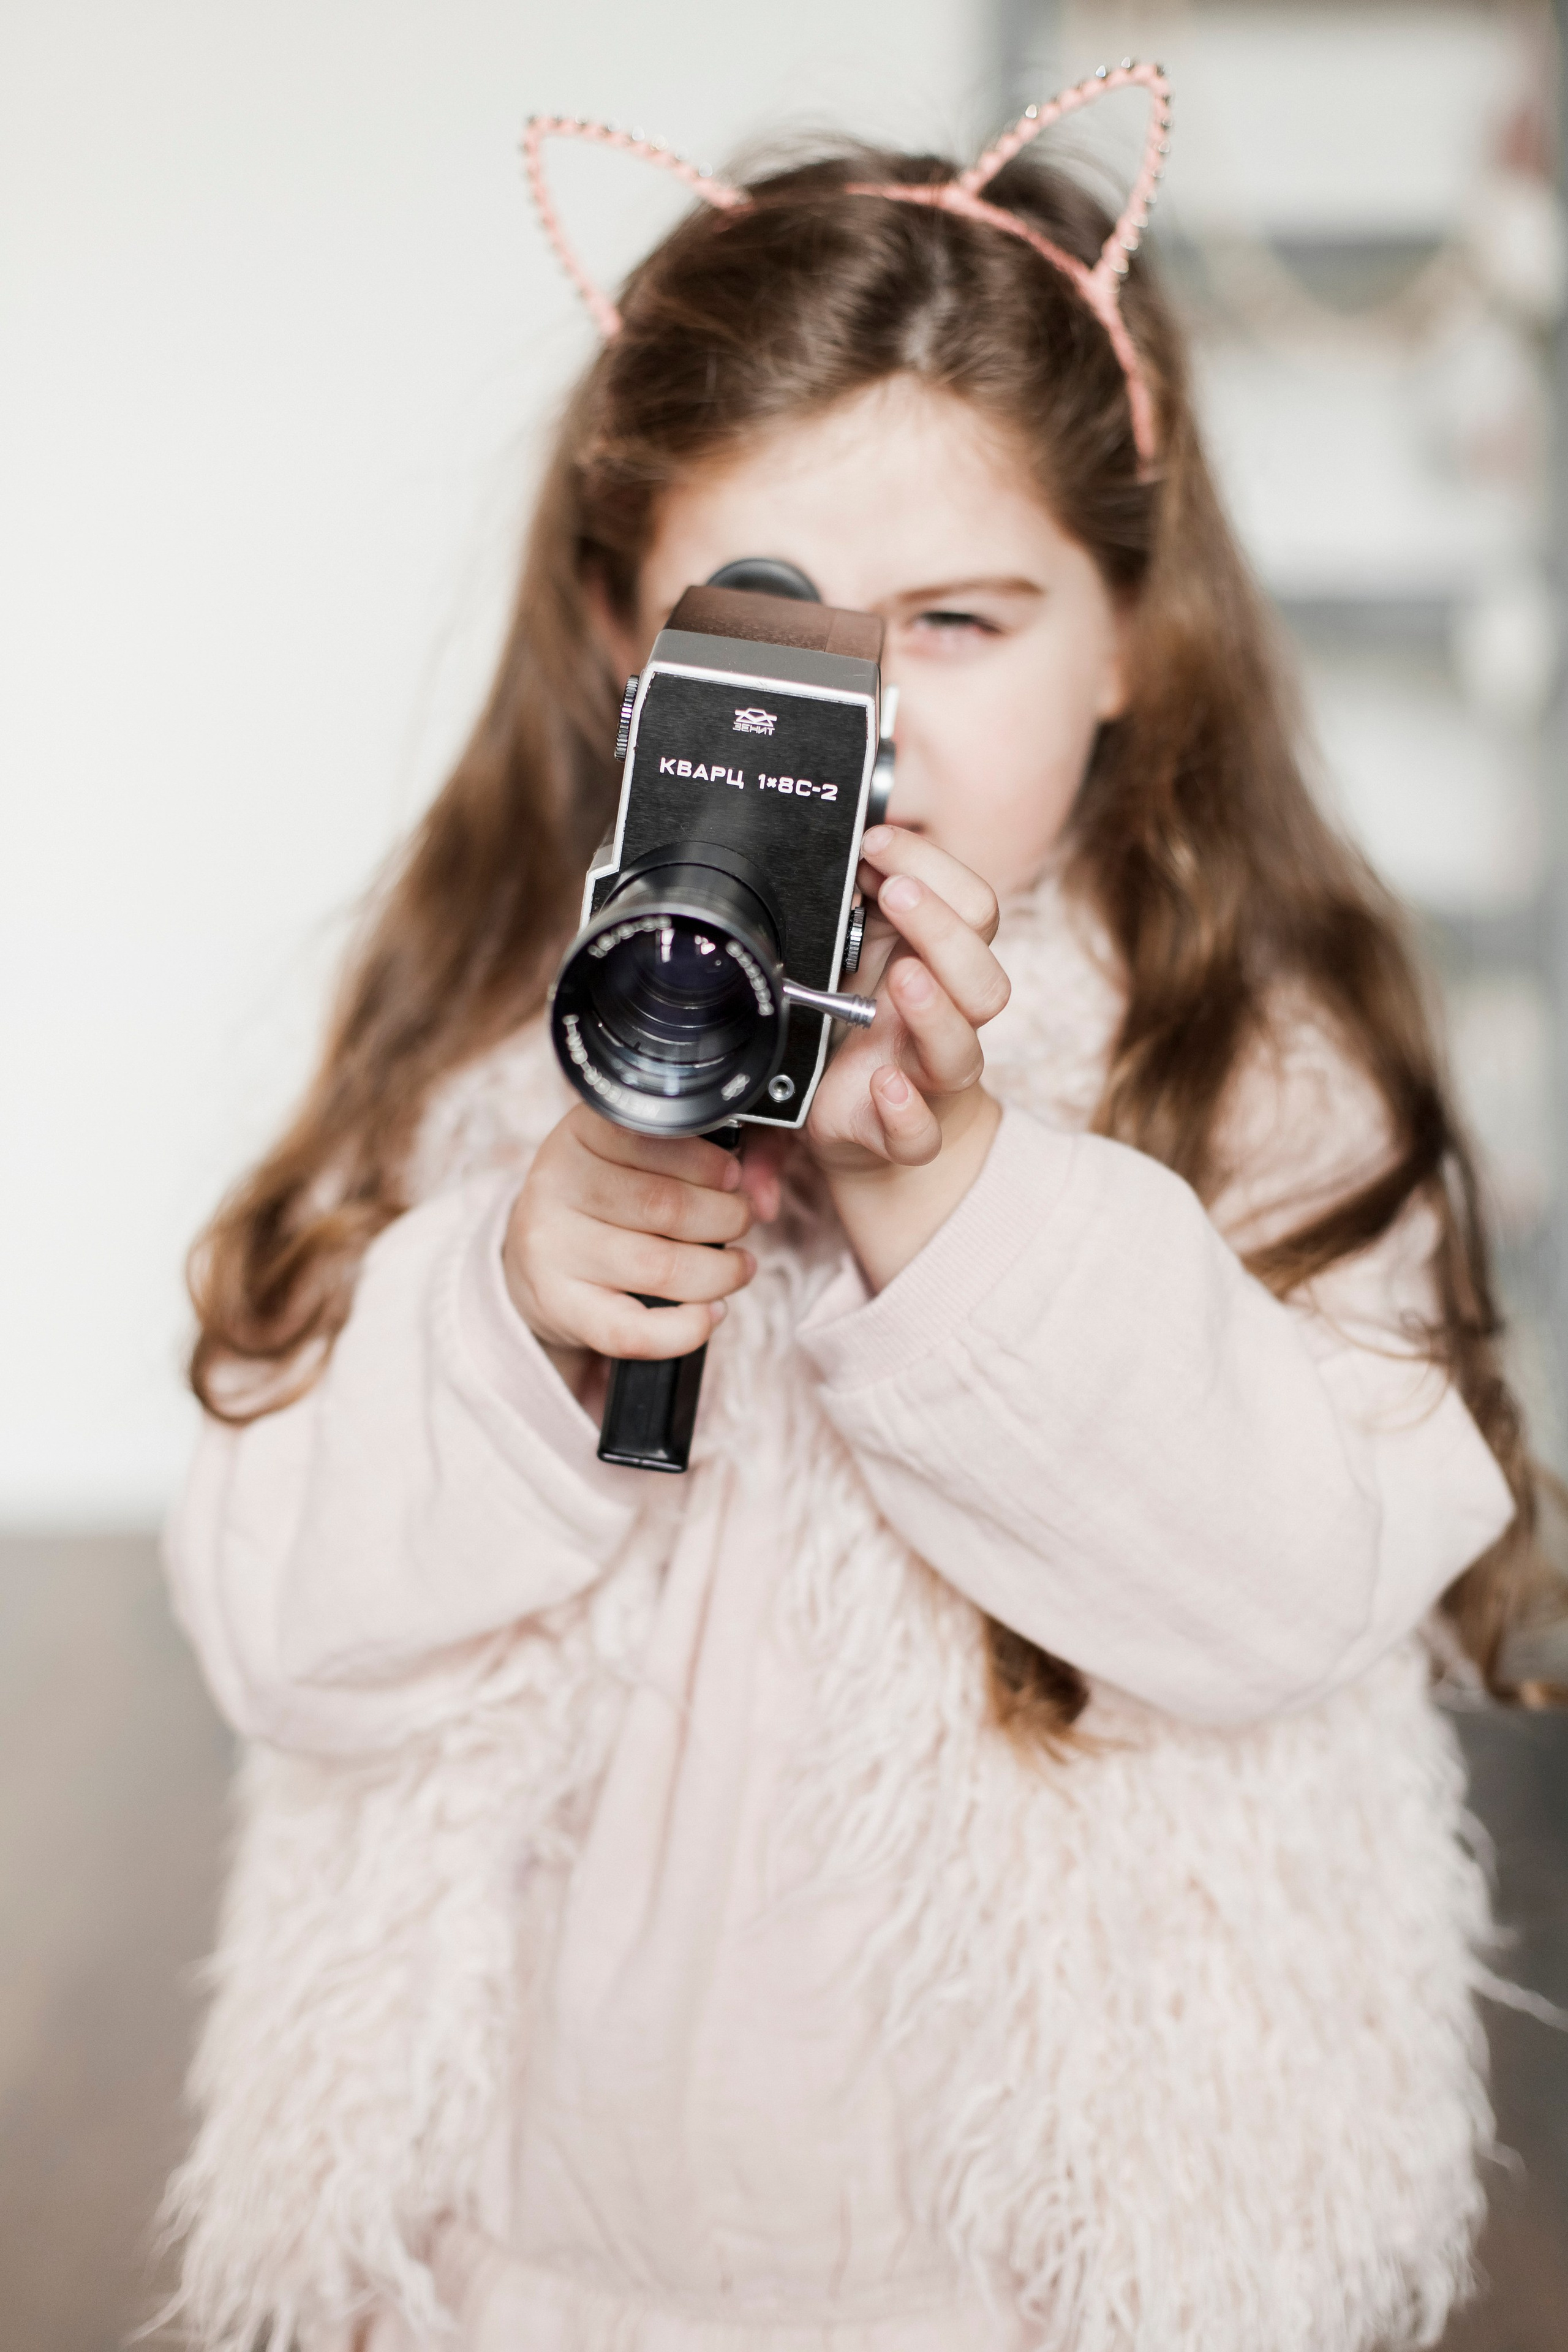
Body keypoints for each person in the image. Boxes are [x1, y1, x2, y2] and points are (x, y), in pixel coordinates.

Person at [160, 72, 1555, 2352]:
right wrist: (508, 1312)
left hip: (1050, 2288)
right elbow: (279, 1630)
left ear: (1134, 641)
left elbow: (1285, 1602)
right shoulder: (475, 1062)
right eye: (776, 634)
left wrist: (959, 1195)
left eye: (964, 625)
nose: (866, 728)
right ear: (633, 656)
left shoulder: (1255, 1071)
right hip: (523, 2269)